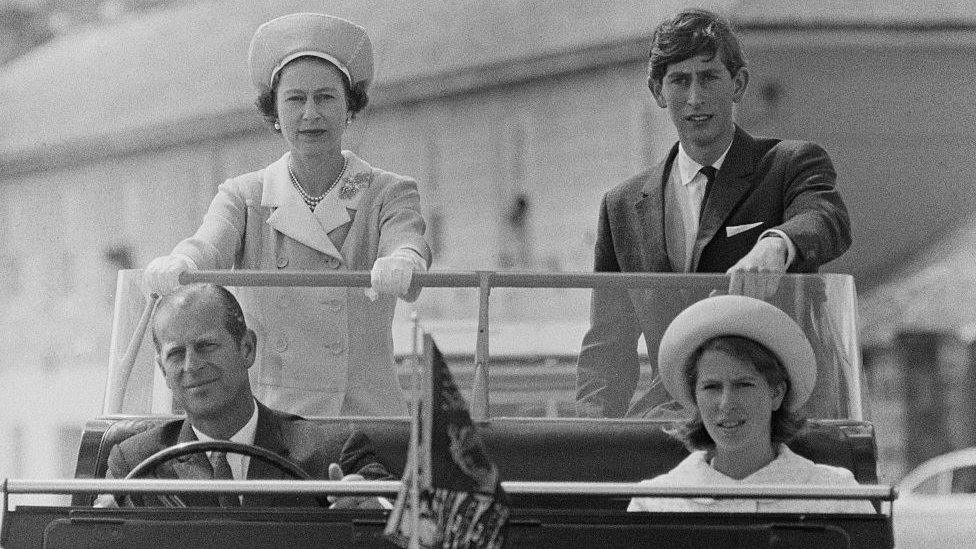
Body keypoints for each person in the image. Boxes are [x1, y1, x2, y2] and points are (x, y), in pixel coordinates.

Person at [142, 13, 431, 417]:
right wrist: (181, 263)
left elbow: (407, 240)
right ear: (275, 114)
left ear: (349, 109)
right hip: (273, 420)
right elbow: (208, 244)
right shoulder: (244, 196)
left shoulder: (387, 191)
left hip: (364, 416)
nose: (311, 114)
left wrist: (403, 261)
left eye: (326, 97)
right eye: (295, 99)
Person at [576, 8, 851, 418]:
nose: (695, 98)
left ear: (738, 84)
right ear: (657, 91)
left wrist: (777, 246)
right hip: (670, 430)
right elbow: (607, 350)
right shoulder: (622, 207)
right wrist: (586, 445)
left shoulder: (789, 165)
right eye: (679, 80)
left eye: (708, 77)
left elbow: (826, 218)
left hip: (776, 425)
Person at [97, 283, 392, 507]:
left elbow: (409, 521)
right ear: (163, 372)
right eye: (176, 354)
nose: (192, 366)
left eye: (206, 346)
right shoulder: (136, 464)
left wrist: (370, 507)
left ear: (247, 348)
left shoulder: (332, 451)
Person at [627, 295, 873, 513]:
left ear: (776, 393)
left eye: (744, 385)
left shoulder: (836, 496)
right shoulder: (656, 502)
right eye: (711, 387)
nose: (726, 403)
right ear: (695, 398)